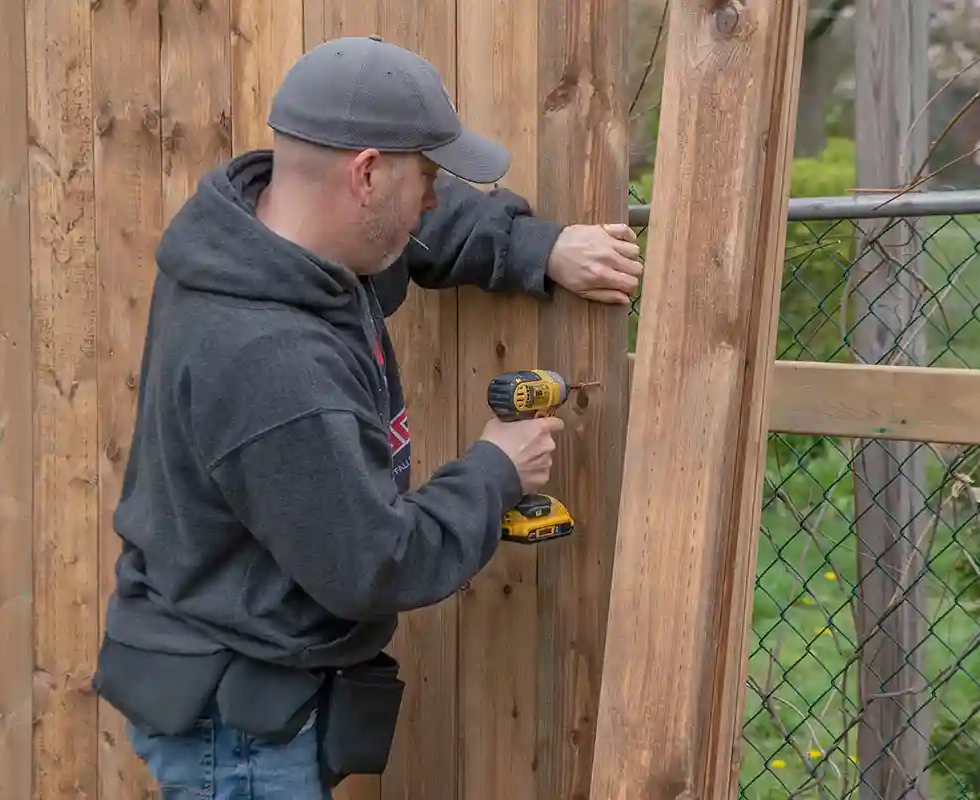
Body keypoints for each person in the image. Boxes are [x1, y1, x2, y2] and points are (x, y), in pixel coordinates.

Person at [91, 34, 643, 799]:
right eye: (425, 175)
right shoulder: (271, 363)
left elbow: (409, 234)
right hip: (240, 729)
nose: (433, 197)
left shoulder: (266, 235)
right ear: (367, 173)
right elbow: (371, 564)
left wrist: (538, 248)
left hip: (239, 683)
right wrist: (495, 472)